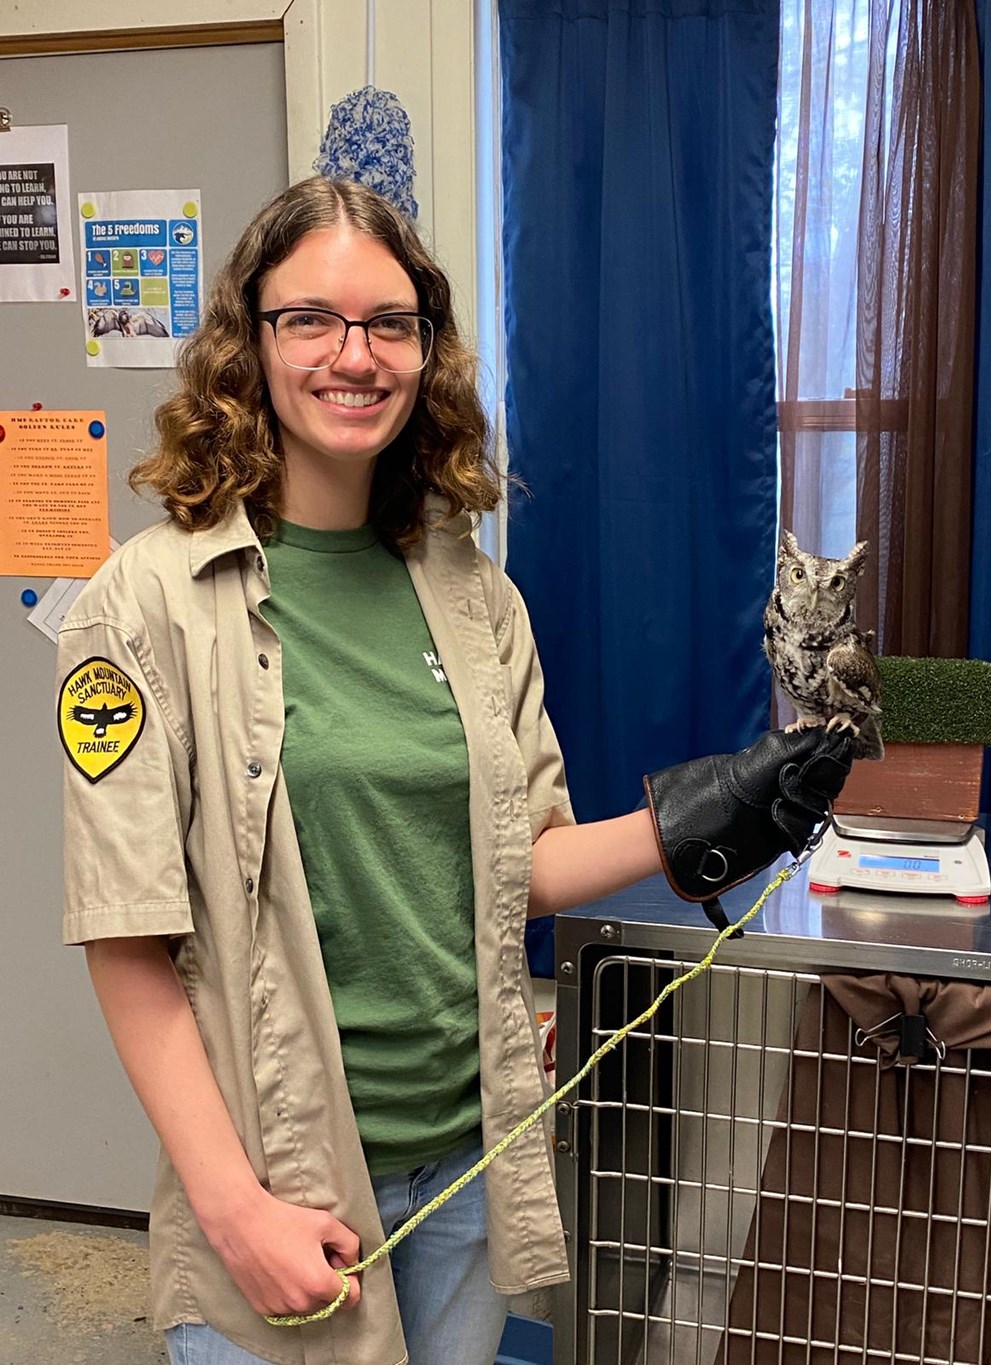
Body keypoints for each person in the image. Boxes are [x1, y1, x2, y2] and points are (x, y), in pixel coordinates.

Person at [58, 175, 851, 1365]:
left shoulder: (475, 595)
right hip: (276, 1183)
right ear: (248, 341)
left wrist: (717, 808)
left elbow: (521, 864)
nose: (354, 355)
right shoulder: (147, 603)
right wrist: (235, 1210)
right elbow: (128, 939)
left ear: (426, 350)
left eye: (391, 323)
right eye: (310, 319)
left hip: (470, 1159)